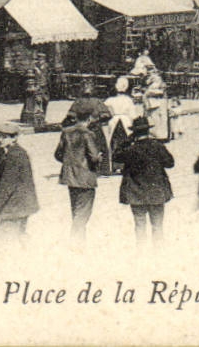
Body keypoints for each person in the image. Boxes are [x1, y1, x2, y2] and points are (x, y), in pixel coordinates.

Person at [119, 115, 175, 245]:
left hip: (136, 193)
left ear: (134, 132)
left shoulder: (130, 149)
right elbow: (170, 163)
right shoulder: (157, 146)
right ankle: (158, 252)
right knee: (157, 226)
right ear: (148, 130)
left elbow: (116, 156)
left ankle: (142, 252)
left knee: (140, 225)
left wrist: (127, 141)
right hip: (156, 191)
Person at [54, 110, 103, 245]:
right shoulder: (88, 134)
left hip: (70, 177)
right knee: (83, 213)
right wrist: (99, 157)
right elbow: (94, 157)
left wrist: (69, 162)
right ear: (88, 119)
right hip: (85, 177)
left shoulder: (66, 132)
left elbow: (58, 154)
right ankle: (76, 242)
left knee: (76, 210)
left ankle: (79, 242)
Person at [0, 123, 39, 237]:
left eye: (4, 137)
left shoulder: (14, 155)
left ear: (14, 138)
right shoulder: (17, 151)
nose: (0, 139)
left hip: (14, 206)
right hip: (23, 205)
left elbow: (8, 185)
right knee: (19, 235)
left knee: (8, 239)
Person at [103, 76, 139, 174]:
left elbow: (105, 111)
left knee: (114, 143)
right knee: (125, 143)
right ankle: (124, 165)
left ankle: (115, 165)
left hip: (114, 121)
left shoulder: (110, 100)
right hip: (126, 121)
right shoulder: (128, 100)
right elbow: (133, 114)